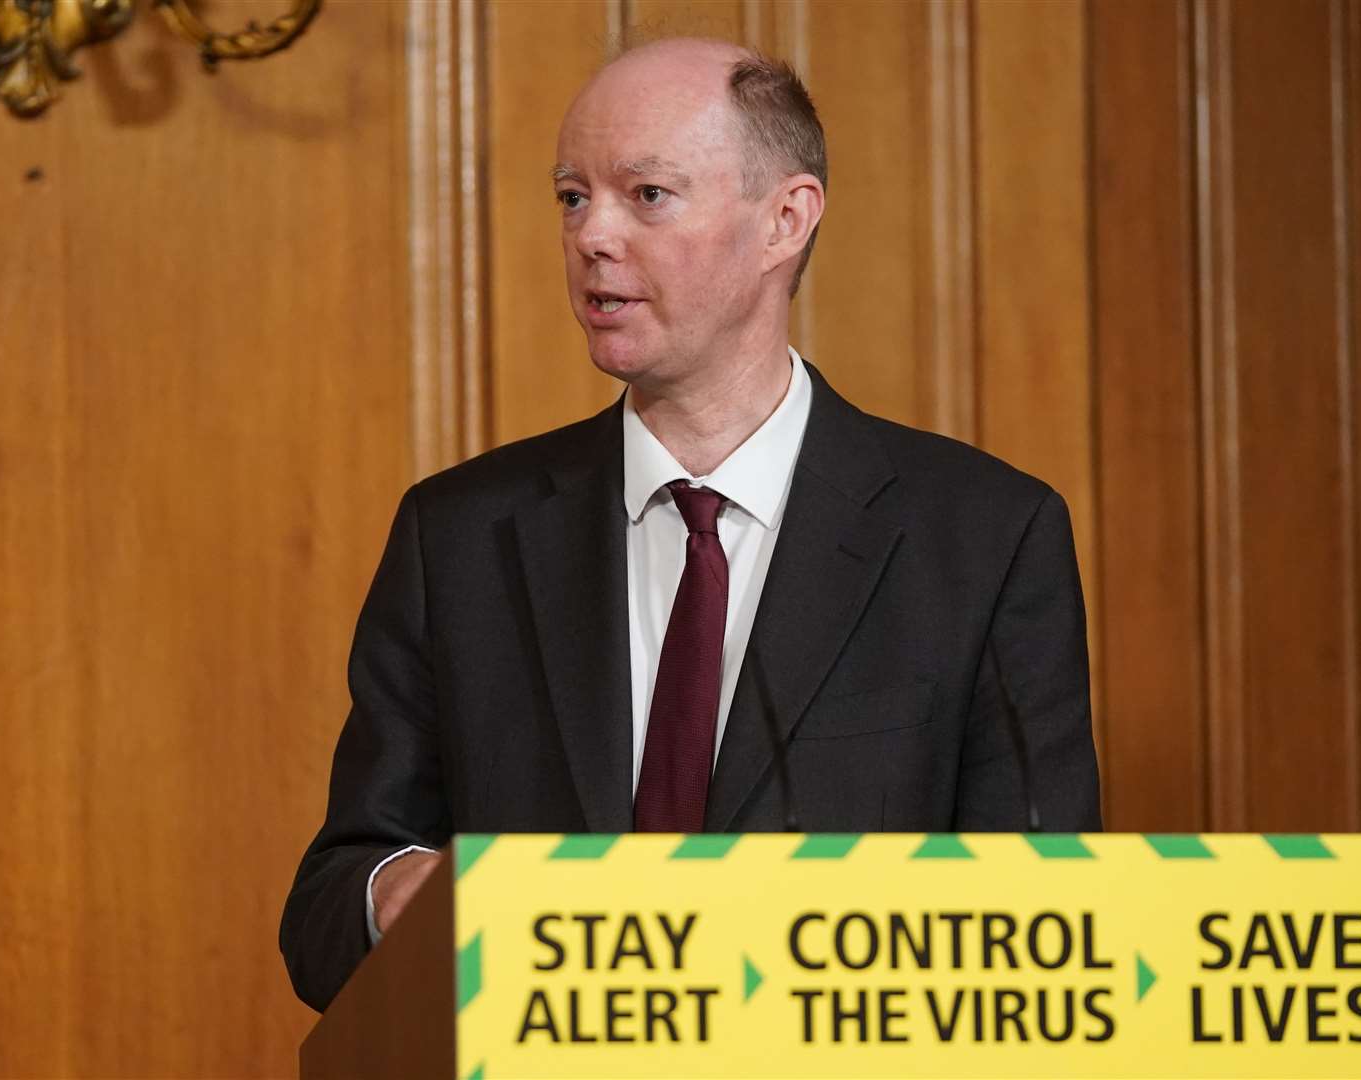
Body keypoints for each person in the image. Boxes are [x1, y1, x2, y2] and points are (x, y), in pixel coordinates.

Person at [280, 37, 1100, 1013]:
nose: (591, 236)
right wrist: (395, 894)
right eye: (571, 196)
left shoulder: (984, 540)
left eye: (647, 195)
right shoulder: (457, 536)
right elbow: (327, 919)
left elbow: (1046, 935)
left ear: (783, 219)